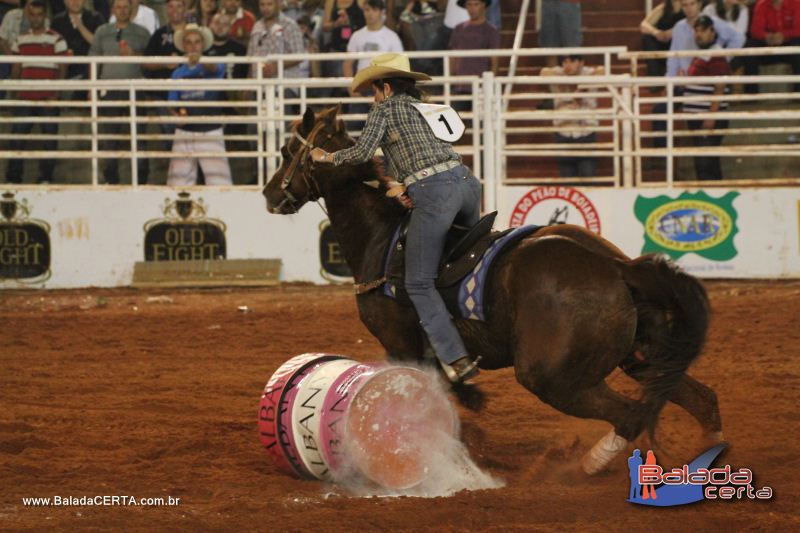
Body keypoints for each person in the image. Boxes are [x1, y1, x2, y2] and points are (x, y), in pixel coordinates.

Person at [309, 53, 483, 384]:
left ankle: (455, 358)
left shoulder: (384, 110)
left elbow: (362, 153)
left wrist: (326, 157)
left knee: (418, 282)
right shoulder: (424, 108)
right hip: (467, 185)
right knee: (462, 260)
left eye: (375, 90)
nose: (373, 98)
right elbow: (424, 153)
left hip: (435, 195)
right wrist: (404, 184)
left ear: (386, 88)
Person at [5, 0, 68, 185]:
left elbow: (63, 68)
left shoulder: (57, 39)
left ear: (45, 16)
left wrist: (57, 93)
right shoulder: (20, 39)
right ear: (28, 16)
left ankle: (46, 177)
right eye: (32, 15)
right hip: (25, 97)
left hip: (48, 97)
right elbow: (16, 68)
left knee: (49, 140)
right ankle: (13, 179)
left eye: (39, 15)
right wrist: (14, 92)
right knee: (16, 139)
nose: (35, 19)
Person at [89, 0, 152, 184]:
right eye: (119, 7)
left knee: (139, 136)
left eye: (126, 7)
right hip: (109, 89)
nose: (122, 10)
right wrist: (92, 86)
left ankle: (141, 179)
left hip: (135, 89)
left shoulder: (142, 32)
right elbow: (93, 60)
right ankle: (111, 180)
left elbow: (151, 60)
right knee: (110, 137)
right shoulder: (102, 31)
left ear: (131, 9)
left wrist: (134, 55)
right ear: (113, 10)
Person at [167, 23, 233, 185]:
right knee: (178, 184)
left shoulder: (214, 64)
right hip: (185, 131)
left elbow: (214, 69)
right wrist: (176, 115)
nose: (193, 46)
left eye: (197, 42)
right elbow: (172, 103)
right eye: (189, 42)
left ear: (203, 45)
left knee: (220, 184)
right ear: (184, 46)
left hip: (210, 130)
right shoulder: (177, 73)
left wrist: (201, 61)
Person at [540, 54, 603, 179]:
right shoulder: (558, 73)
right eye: (565, 61)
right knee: (567, 179)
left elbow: (602, 70)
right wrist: (566, 85)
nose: (567, 65)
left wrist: (582, 87)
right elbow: (543, 72)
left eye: (572, 61)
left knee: (588, 177)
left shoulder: (587, 72)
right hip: (563, 132)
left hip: (586, 132)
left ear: (581, 63)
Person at [344, 0, 403, 130]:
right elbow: (348, 63)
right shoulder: (357, 36)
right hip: (361, 86)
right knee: (354, 126)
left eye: (374, 10)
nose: (369, 13)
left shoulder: (392, 37)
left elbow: (399, 66)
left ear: (381, 12)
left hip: (384, 88)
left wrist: (388, 92)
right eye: (366, 10)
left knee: (386, 128)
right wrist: (351, 88)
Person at [684, 15, 731, 180]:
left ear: (712, 32)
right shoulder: (703, 54)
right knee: (706, 160)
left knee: (705, 162)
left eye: (703, 31)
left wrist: (711, 116)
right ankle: (713, 190)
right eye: (696, 31)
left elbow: (720, 87)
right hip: (699, 114)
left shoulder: (715, 54)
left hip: (707, 115)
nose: (699, 34)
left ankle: (710, 190)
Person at [448, 0, 499, 113]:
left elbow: (494, 60)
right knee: (457, 120)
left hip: (481, 85)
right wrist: (451, 80)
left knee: (482, 120)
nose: (472, 9)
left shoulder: (491, 30)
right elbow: (452, 57)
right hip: (460, 85)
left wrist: (489, 84)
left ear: (483, 5)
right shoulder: (459, 28)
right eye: (469, 5)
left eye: (476, 4)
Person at [743, 0, 800, 94]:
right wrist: (767, 36)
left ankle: (798, 94)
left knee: (797, 45)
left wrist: (783, 35)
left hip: (789, 46)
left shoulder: (796, 3)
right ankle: (751, 95)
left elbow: (798, 29)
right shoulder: (762, 5)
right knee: (750, 46)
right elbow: (755, 31)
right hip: (768, 46)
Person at [51, 0, 106, 84]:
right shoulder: (57, 21)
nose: (75, 2)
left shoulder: (96, 17)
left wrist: (80, 26)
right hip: (65, 74)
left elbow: (102, 45)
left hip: (90, 74)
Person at [639, 0, 684, 77]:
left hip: (679, 44)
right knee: (647, 38)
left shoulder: (687, 6)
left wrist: (675, 31)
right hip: (663, 43)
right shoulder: (663, 8)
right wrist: (656, 33)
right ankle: (654, 76)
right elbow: (643, 25)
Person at [538, 0, 582, 68]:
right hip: (548, 3)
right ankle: (552, 72)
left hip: (569, 3)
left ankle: (571, 71)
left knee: (571, 44)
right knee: (549, 45)